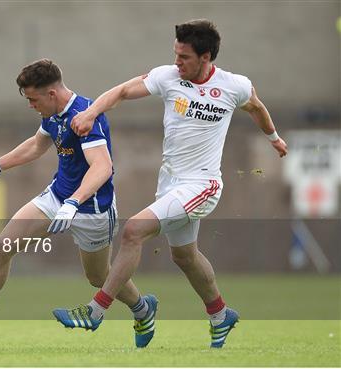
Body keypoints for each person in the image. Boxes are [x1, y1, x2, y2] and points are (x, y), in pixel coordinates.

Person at [53, 19, 288, 348]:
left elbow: (257, 107)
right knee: (185, 257)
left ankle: (94, 311)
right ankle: (220, 314)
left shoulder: (234, 85)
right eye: (175, 54)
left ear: (206, 57)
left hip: (202, 186)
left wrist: (274, 138)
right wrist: (91, 112)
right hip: (171, 185)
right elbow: (121, 91)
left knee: (134, 230)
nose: (177, 62)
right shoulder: (168, 77)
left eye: (184, 57)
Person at [0, 59, 158, 348]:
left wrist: (74, 202)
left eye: (33, 99)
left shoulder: (83, 116)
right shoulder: (53, 114)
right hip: (57, 197)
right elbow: (36, 144)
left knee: (99, 277)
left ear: (52, 94)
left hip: (92, 209)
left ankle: (143, 309)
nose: (31, 105)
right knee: (2, 247)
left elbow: (102, 167)